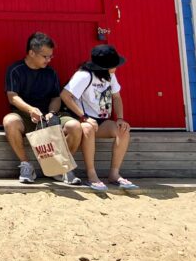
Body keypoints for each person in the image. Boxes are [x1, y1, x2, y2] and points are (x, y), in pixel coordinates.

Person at [3, 32, 82, 185]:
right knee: (9, 122)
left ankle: (61, 168)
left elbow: (56, 97)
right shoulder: (15, 70)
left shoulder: (51, 72)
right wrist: (30, 110)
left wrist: (51, 113)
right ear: (31, 53)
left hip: (49, 116)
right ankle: (26, 166)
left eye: (50, 56)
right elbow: (12, 96)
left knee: (75, 126)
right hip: (25, 115)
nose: (48, 60)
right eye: (45, 56)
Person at [60, 44, 139, 191]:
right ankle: (92, 175)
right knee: (88, 129)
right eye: (114, 65)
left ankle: (114, 174)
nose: (117, 67)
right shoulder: (84, 75)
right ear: (103, 66)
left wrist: (120, 118)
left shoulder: (111, 76)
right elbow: (65, 96)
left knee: (123, 130)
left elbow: (116, 97)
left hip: (101, 120)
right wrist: (83, 117)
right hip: (81, 119)